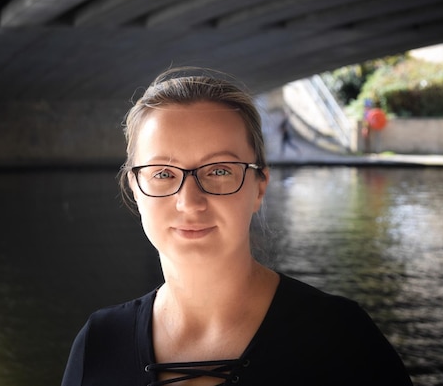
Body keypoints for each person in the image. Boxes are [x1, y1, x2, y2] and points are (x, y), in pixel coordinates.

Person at [61, 67, 412, 386]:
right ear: (135, 189)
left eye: (219, 171)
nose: (189, 201)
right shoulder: (100, 342)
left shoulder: (342, 339)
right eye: (164, 174)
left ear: (260, 187)